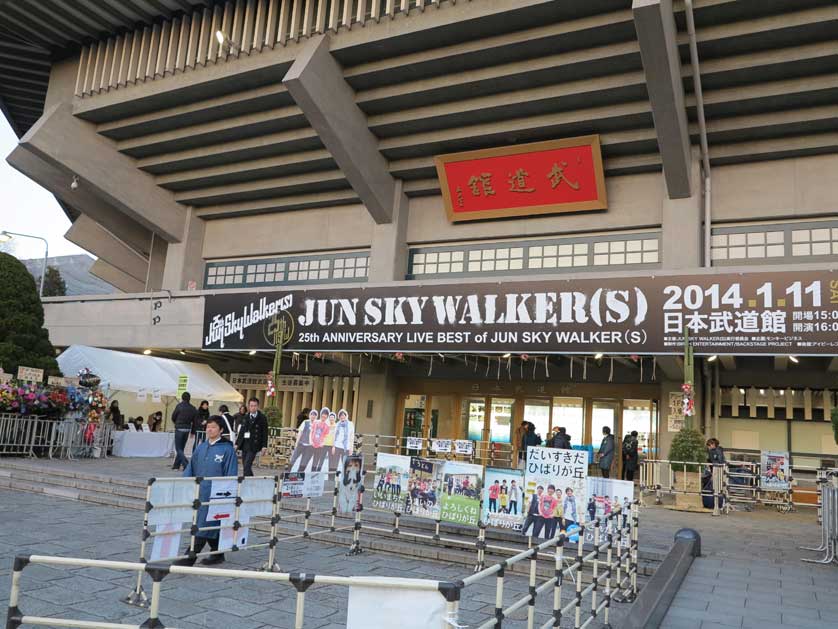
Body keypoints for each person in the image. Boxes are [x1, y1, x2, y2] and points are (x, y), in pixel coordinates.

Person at [182, 416, 238, 565]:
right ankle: (218, 553)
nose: (209, 429)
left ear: (220, 430)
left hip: (216, 495)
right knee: (209, 524)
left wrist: (228, 494)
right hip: (200, 493)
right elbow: (191, 467)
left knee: (204, 525)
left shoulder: (227, 450)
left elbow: (231, 473)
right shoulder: (201, 447)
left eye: (213, 427)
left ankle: (189, 558)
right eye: (208, 427)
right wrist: (185, 483)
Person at [235, 397, 268, 476]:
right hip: (245, 444)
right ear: (249, 406)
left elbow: (265, 432)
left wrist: (264, 446)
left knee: (247, 465)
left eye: (255, 406)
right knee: (246, 466)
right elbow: (241, 432)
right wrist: (236, 444)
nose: (253, 407)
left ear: (258, 406)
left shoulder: (262, 417)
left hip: (254, 445)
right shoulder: (246, 417)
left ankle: (245, 482)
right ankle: (251, 481)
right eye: (251, 406)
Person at [171, 392, 198, 471]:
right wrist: (193, 432)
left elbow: (173, 417)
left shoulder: (179, 406)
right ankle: (176, 466)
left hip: (179, 428)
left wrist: (176, 423)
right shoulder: (193, 408)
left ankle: (187, 465)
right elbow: (195, 421)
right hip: (187, 429)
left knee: (178, 448)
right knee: (181, 448)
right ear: (189, 398)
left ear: (182, 398)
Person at [310, 407, 332, 472]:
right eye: (323, 414)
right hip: (311, 444)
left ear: (327, 416)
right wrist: (310, 441)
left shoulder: (327, 426)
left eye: (326, 415)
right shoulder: (315, 422)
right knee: (306, 460)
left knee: (315, 462)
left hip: (319, 447)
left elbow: (325, 436)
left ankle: (312, 477)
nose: (324, 416)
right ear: (321, 414)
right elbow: (311, 432)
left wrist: (322, 443)